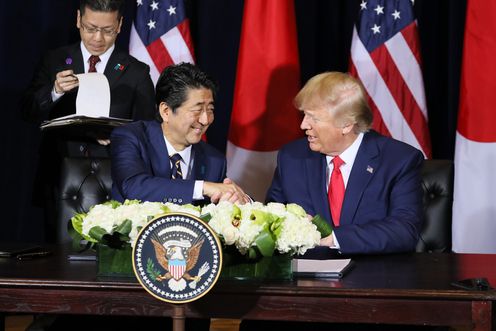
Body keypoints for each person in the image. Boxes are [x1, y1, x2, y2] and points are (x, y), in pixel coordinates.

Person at [21, 0, 156, 243]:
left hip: (112, 179)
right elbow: (27, 112)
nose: (97, 38)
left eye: (107, 30)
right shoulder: (55, 60)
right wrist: (54, 91)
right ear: (77, 20)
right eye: (90, 28)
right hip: (59, 177)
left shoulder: (137, 72)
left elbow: (147, 130)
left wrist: (117, 136)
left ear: (120, 25)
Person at [266, 71, 424, 255]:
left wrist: (335, 238)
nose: (303, 125)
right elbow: (271, 216)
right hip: (305, 279)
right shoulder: (291, 157)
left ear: (346, 125)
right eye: (304, 115)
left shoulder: (399, 160)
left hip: (373, 277)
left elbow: (404, 231)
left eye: (314, 118)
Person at [111, 62, 249, 205]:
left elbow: (223, 194)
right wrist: (202, 187)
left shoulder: (214, 160)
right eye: (197, 110)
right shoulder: (130, 138)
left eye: (210, 110)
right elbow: (133, 187)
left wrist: (240, 199)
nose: (205, 120)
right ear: (166, 111)